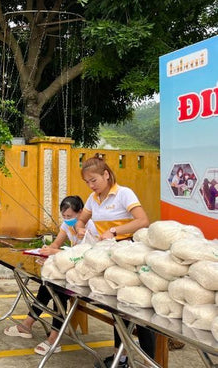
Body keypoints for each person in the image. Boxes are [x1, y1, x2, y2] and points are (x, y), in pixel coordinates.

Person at [75, 157, 153, 368]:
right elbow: (80, 221)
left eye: (94, 180)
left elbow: (143, 220)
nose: (92, 186)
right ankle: (121, 356)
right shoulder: (93, 198)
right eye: (87, 182)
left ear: (106, 175)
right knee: (116, 308)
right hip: (107, 258)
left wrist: (115, 231)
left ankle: (148, 360)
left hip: (129, 257)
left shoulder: (123, 193)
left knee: (137, 307)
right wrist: (80, 228)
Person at [4, 195, 98, 355]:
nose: (67, 219)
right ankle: (28, 325)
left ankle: (53, 337)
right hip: (72, 268)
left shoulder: (91, 227)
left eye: (70, 216)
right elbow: (56, 244)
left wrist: (55, 252)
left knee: (58, 291)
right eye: (64, 216)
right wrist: (46, 252)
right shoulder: (67, 225)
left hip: (88, 271)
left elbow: (86, 253)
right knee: (46, 284)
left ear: (81, 212)